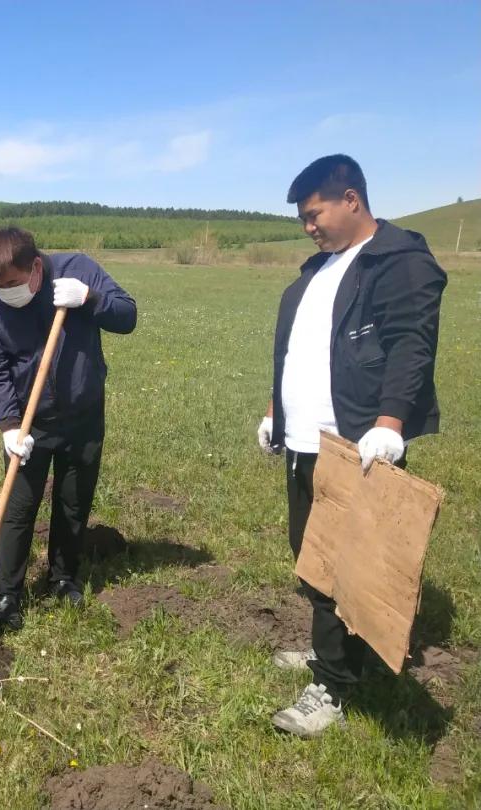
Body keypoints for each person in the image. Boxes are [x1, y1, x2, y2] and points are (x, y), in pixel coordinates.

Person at [257, 154, 446, 737]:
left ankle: (333, 685)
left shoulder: (398, 264)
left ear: (352, 200)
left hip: (357, 443)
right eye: (302, 220)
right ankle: (332, 650)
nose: (308, 226)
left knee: (350, 565)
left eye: (314, 214)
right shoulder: (317, 272)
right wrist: (275, 412)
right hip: (303, 440)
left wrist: (390, 424)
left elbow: (412, 346)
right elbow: (293, 353)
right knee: (312, 557)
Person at [0, 227, 137, 631]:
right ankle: (7, 592)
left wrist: (89, 299)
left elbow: (128, 316)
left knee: (73, 500)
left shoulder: (77, 270)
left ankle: (63, 578)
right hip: (30, 424)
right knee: (18, 506)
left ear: (35, 267)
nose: (4, 291)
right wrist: (10, 426)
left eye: (11, 282)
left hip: (83, 415)